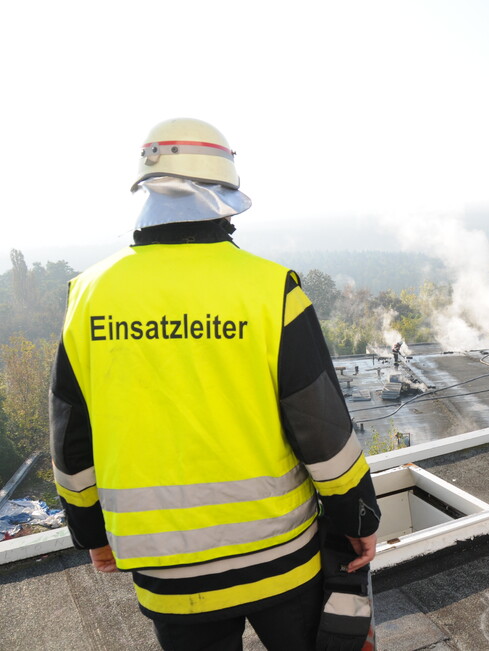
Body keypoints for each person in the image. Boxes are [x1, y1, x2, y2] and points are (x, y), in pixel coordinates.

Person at [49, 118, 380, 651]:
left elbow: (71, 441)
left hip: (168, 574)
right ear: (225, 196)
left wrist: (91, 533)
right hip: (280, 558)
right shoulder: (271, 290)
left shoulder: (86, 298)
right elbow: (323, 430)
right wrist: (357, 516)